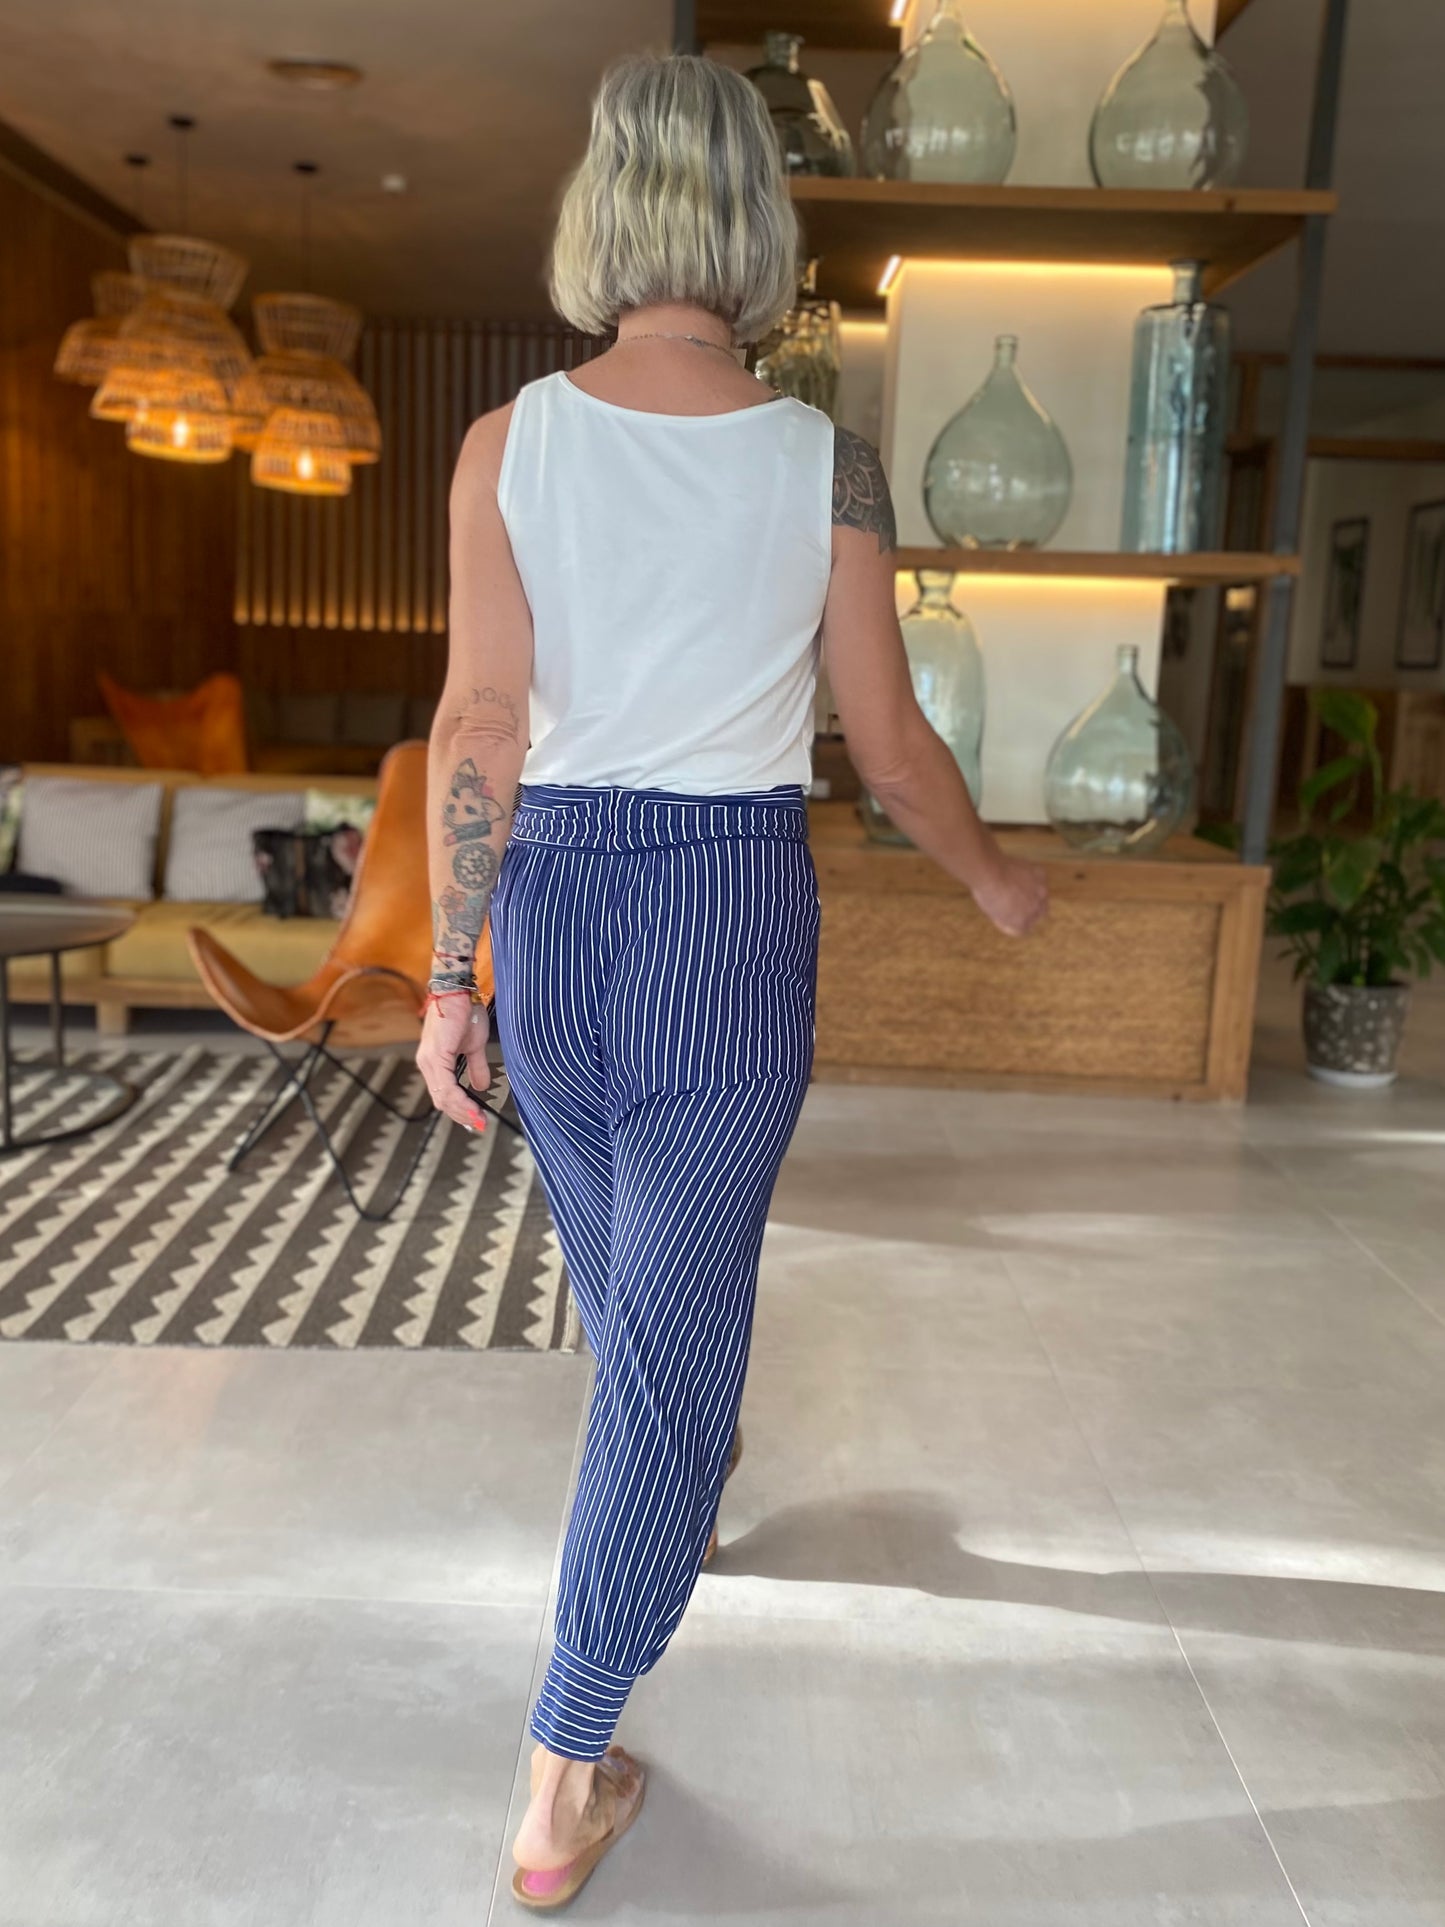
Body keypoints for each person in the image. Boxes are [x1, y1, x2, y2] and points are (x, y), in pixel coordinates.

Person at [416, 48, 1048, 1911]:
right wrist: (995, 882)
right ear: (758, 223)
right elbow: (891, 750)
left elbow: (477, 721)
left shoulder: (507, 441)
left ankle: (679, 1476)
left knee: (638, 1300)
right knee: (668, 1354)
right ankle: (562, 1774)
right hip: (719, 912)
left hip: (548, 911)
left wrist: (450, 973)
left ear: (599, 211)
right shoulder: (817, 459)